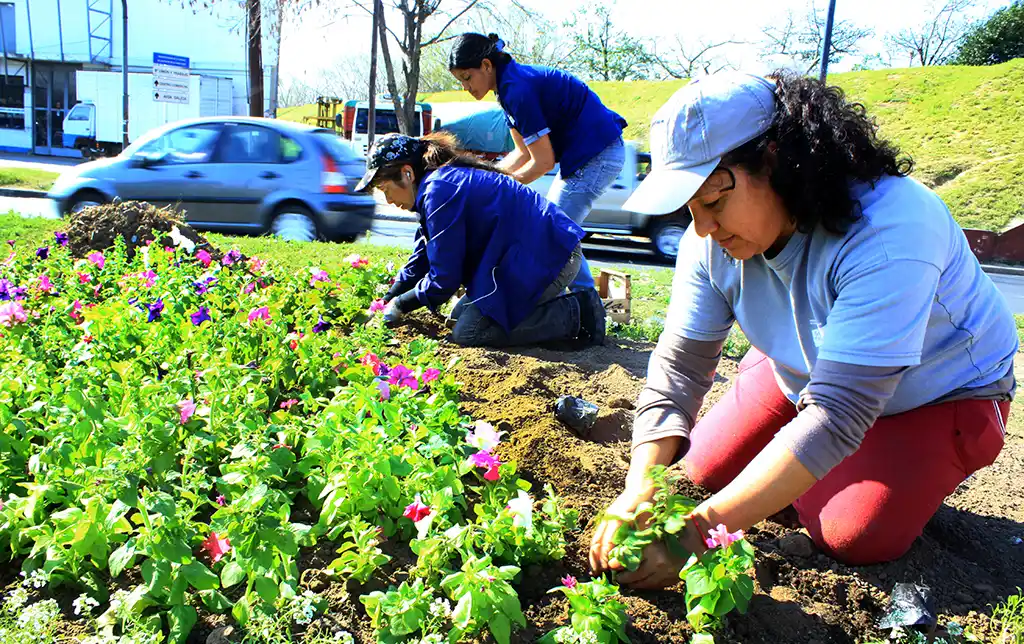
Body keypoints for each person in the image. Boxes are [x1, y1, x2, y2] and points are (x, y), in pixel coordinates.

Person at [589, 70, 1018, 589]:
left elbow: (840, 412)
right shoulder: (709, 241)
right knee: (700, 473)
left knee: (851, 534)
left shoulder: (888, 227)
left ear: (774, 160)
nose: (702, 228)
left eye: (714, 202)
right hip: (809, 369)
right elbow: (679, 366)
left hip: (938, 393)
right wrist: (640, 486)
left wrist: (697, 534)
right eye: (688, 210)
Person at [356, 132, 606, 348]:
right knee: (459, 315)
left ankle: (578, 314)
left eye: (386, 189)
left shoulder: (439, 190)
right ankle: (551, 309)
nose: (389, 201)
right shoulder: (437, 185)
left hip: (550, 257)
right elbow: (423, 254)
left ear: (407, 173)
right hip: (532, 254)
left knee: (469, 331)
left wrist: (400, 304)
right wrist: (388, 298)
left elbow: (445, 279)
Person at [448, 32, 628, 296]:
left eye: (466, 78)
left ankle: (588, 310)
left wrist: (499, 187)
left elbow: (542, 162)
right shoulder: (507, 90)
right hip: (587, 156)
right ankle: (586, 305)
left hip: (598, 154)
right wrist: (487, 179)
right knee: (555, 230)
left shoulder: (518, 90)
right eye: (459, 81)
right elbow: (522, 153)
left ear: (486, 65)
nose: (465, 87)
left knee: (551, 231)